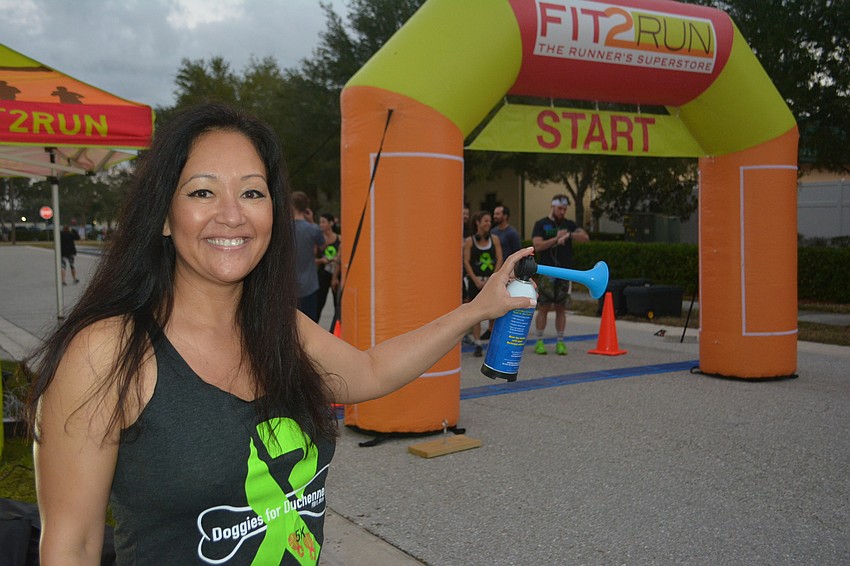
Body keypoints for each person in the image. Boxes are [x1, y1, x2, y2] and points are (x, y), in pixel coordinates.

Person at [24, 102, 536, 565]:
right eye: (203, 191)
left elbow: (372, 371)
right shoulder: (106, 352)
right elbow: (73, 545)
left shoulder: (278, 327)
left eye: (251, 191)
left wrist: (478, 308)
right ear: (162, 215)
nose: (232, 214)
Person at [530, 194, 589, 355]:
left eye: (564, 209)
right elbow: (537, 245)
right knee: (544, 307)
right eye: (559, 208)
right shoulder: (542, 224)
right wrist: (556, 239)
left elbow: (585, 237)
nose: (562, 212)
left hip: (565, 272)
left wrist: (569, 235)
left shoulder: (569, 224)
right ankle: (539, 341)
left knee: (561, 308)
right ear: (552, 206)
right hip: (547, 272)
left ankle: (560, 342)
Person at [463, 211, 503, 357]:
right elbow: (466, 262)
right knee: (476, 313)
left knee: (494, 311)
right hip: (476, 281)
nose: (488, 224)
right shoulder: (469, 241)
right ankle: (478, 343)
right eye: (485, 221)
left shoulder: (495, 239)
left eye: (489, 221)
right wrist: (475, 280)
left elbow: (499, 258)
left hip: (491, 281)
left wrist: (493, 277)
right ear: (478, 223)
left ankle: (493, 341)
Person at [292, 191, 325, 322]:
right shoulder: (313, 229)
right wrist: (312, 221)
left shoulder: (282, 229)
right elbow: (322, 247)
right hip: (309, 285)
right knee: (310, 323)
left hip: (288, 286)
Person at [315, 212, 341, 330]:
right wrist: (322, 261)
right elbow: (312, 259)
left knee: (338, 304)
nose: (321, 224)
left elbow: (343, 257)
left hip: (336, 274)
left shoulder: (340, 239)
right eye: (320, 222)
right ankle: (314, 329)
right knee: (319, 302)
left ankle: (335, 330)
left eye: (323, 222)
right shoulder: (319, 240)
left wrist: (336, 259)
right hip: (322, 274)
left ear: (331, 223)